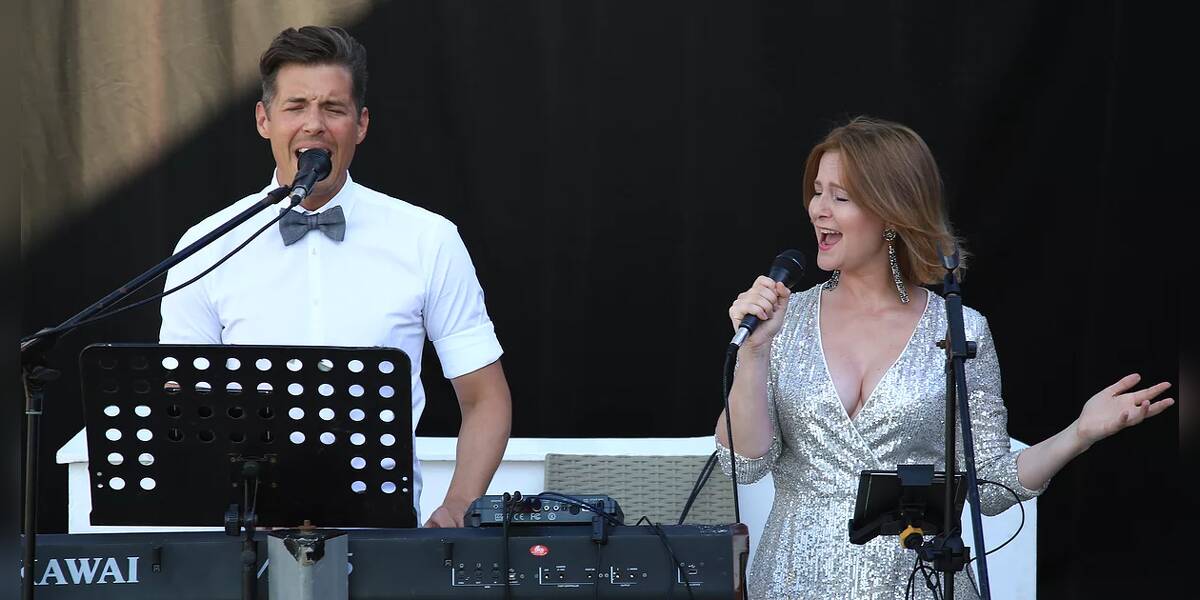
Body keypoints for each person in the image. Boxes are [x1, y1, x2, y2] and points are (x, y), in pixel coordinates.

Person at [715, 116, 1174, 599]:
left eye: (840, 197)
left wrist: (1079, 433)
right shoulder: (784, 320)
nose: (817, 210)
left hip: (916, 584)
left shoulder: (958, 327)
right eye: (816, 192)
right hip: (792, 580)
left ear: (891, 213)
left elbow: (991, 486)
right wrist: (753, 352)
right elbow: (743, 465)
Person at [160, 26, 512, 528]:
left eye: (333, 108)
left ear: (361, 124)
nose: (314, 124)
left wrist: (458, 504)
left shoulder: (427, 238)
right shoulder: (206, 245)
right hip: (246, 534)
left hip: (382, 531)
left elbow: (484, 397)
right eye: (296, 106)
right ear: (264, 120)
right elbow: (182, 397)